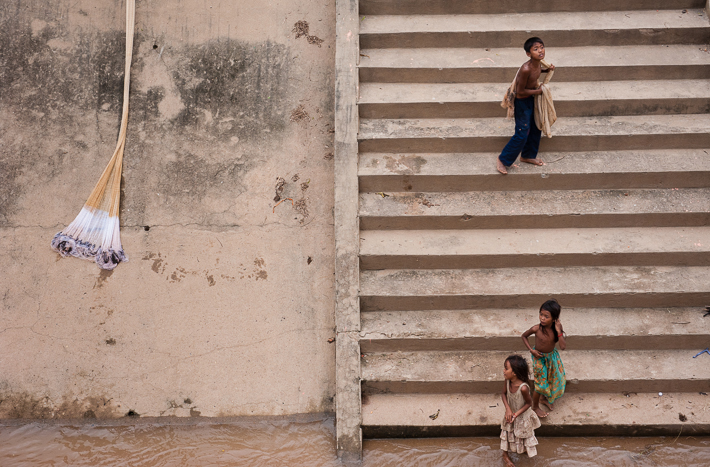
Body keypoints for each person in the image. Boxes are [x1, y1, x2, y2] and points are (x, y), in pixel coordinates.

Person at [497, 37, 555, 174]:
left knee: (535, 127)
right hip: (522, 102)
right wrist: (538, 91)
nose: (540, 51)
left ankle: (527, 155)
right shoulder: (525, 69)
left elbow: (537, 72)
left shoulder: (538, 63)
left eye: (541, 47)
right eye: (535, 49)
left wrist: (547, 70)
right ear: (528, 54)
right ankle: (503, 159)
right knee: (522, 133)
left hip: (531, 99)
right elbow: (520, 91)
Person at [521, 299, 566, 418]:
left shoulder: (556, 331)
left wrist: (559, 331)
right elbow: (524, 336)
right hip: (538, 357)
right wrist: (531, 350)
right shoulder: (536, 328)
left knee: (550, 378)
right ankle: (535, 406)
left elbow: (563, 346)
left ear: (554, 318)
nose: (542, 318)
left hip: (551, 357)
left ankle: (542, 398)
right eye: (541, 314)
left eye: (546, 316)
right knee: (540, 384)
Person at [500, 354, 541, 466]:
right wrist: (508, 409)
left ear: (514, 373)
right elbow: (503, 394)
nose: (503, 371)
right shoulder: (507, 381)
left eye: (506, 368)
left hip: (522, 415)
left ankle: (522, 450)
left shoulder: (523, 388)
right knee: (507, 433)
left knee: (524, 435)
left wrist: (516, 414)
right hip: (511, 413)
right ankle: (505, 455)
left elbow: (529, 403)